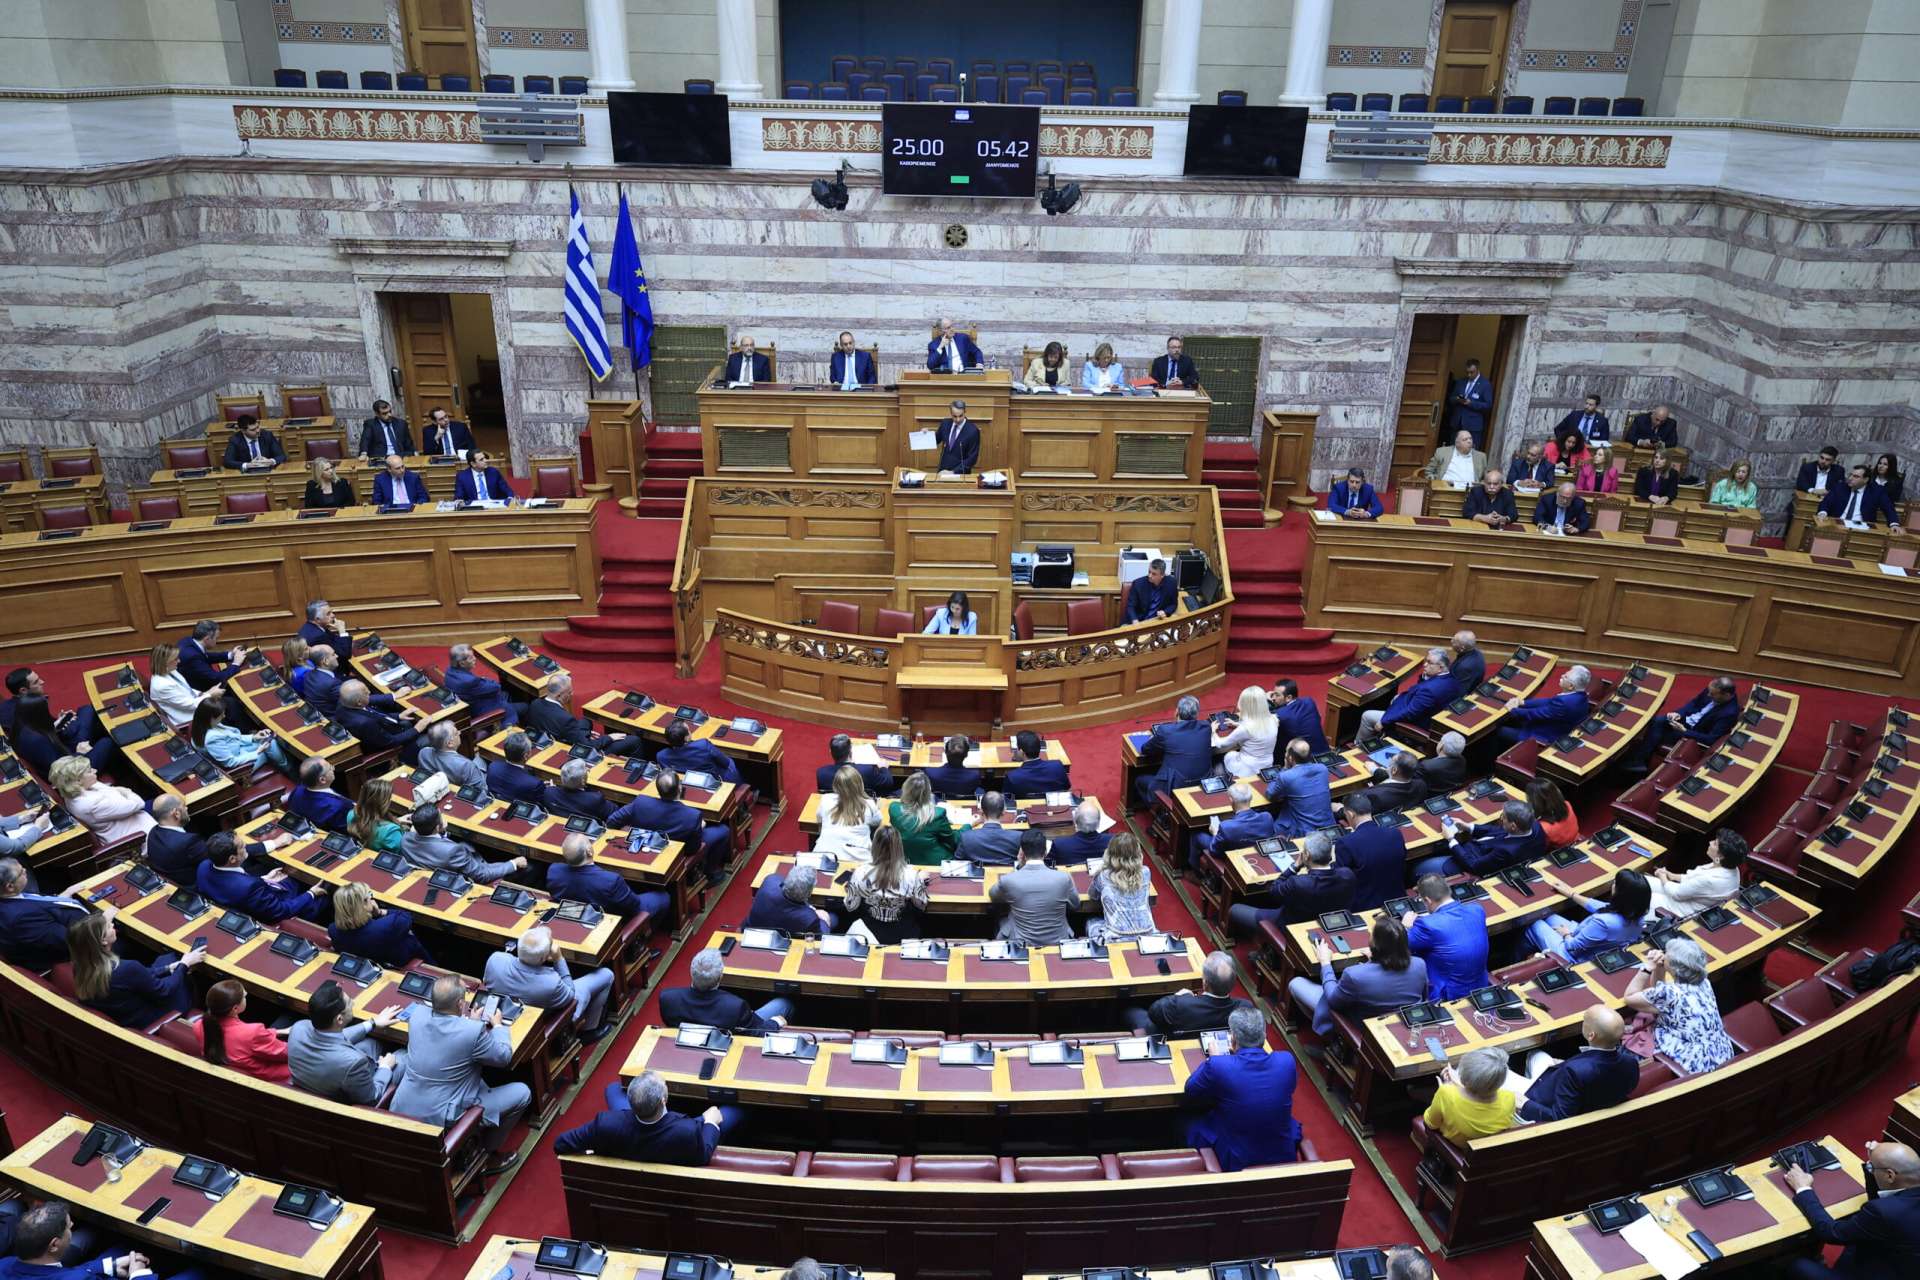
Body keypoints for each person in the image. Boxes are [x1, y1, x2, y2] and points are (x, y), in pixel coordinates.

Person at [391, 974, 528, 1173]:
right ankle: (485, 1157)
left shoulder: (417, 1014)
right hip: (443, 1115)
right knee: (523, 1092)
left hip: (403, 1104)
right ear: (461, 1004)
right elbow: (503, 1057)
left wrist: (468, 1023)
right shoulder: (473, 1031)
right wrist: (498, 1026)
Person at [1782, 1139, 1920, 1279]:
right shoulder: (1896, 1203)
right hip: (1904, 1261)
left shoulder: (1882, 1211)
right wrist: (1875, 1162)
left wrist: (1803, 1188)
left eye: (1871, 1168)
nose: (1870, 1169)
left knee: (1799, 1266)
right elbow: (1883, 1200)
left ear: (1890, 1175)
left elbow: (1832, 1232)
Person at [1183, 1006, 1299, 1170]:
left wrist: (1213, 1060)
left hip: (1237, 1160)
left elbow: (1191, 1090)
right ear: (1264, 1036)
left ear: (1233, 1039)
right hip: (1282, 1152)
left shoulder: (1218, 1065)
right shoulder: (1286, 1061)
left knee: (1187, 1121)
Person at [554, 1070, 737, 1163]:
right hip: (673, 1134)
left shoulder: (605, 1124)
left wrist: (591, 1154)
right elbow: (703, 1155)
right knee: (731, 1111)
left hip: (627, 1135)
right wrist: (711, 1122)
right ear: (664, 1100)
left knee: (613, 1088)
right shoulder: (688, 1130)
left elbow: (560, 1144)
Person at [1287, 915, 1428, 1036]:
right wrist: (1374, 961)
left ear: (1375, 944)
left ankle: (1332, 1037)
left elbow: (1332, 1001)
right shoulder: (1419, 964)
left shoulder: (1354, 975)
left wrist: (1325, 964)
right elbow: (1423, 996)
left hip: (1362, 1027)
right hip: (1400, 1025)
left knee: (1296, 983)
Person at [67, 910, 201, 1027]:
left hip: (127, 1014)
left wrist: (168, 969)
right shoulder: (127, 968)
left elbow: (135, 977)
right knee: (178, 961)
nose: (112, 925)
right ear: (103, 941)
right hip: (157, 1015)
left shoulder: (81, 966)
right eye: (108, 926)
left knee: (166, 960)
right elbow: (165, 991)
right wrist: (184, 964)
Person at [0, 1201, 199, 1280]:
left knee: (125, 1247)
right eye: (69, 1227)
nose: (72, 1227)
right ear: (54, 1244)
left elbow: (60, 1273)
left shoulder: (5, 1265)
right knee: (198, 1272)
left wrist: (109, 1267)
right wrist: (138, 1274)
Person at [485, 924, 616, 1042]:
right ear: (544, 958)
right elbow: (571, 996)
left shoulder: (495, 959)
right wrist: (559, 958)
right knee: (606, 974)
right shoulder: (551, 983)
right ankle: (589, 1030)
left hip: (508, 1012)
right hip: (546, 1018)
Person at [1623, 937, 1734, 1074]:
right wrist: (1660, 967)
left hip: (1695, 1062)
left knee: (1630, 1035)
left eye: (1666, 953)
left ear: (1675, 967)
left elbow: (1629, 997)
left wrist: (1647, 968)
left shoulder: (1670, 994)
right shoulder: (1704, 982)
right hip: (1721, 1053)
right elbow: (1659, 992)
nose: (1664, 954)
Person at [1510, 1006, 1637, 1123]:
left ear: (1591, 1035)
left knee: (1503, 1074)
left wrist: (1525, 1104)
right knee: (1536, 1055)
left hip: (1540, 1102)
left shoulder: (1573, 1071)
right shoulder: (1631, 1062)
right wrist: (1567, 1064)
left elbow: (1560, 1118)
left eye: (1585, 1020)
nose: (1583, 1022)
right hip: (1569, 1088)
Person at [288, 979, 406, 1105]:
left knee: (372, 1043)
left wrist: (373, 1023)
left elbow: (333, 1036)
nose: (353, 1003)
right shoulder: (353, 1062)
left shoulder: (298, 1028)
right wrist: (385, 1067)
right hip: (344, 1100)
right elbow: (372, 1097)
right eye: (349, 1002)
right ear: (339, 1019)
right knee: (404, 1055)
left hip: (319, 1082)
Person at [608, 769, 731, 884]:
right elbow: (693, 849)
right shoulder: (692, 815)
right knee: (723, 830)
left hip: (647, 845)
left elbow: (612, 821)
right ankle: (712, 872)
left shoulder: (641, 802)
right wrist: (699, 827)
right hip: (676, 853)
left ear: (657, 789)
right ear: (679, 788)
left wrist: (629, 833)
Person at [1227, 830, 1355, 934]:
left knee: (1235, 909)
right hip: (1328, 923)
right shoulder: (1347, 875)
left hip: (1290, 925)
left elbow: (1273, 890)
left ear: (1306, 855)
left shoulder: (1299, 883)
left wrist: (1294, 866)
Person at [196, 832, 328, 924]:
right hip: (277, 914)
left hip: (251, 900)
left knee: (291, 875)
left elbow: (235, 888)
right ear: (232, 859)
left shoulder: (204, 866)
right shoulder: (248, 886)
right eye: (242, 846)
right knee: (327, 890)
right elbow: (282, 911)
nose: (245, 846)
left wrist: (264, 879)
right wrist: (311, 893)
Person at [1526, 869, 1651, 964]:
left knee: (1535, 924)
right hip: (1591, 943)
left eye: (1615, 883)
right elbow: (1599, 906)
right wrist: (1572, 894)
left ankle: (1521, 960)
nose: (1613, 884)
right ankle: (1536, 951)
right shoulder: (1636, 914)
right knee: (1549, 916)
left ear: (1621, 894)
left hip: (1573, 957)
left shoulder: (1603, 922)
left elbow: (1572, 947)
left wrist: (1565, 934)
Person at [1622, 675, 1740, 774]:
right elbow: (1693, 703)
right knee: (1656, 721)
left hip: (1693, 732)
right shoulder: (1713, 690)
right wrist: (1679, 713)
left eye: (1713, 694)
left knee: (1657, 733)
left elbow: (1711, 739)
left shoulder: (1729, 713)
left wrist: (1685, 731)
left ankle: (1639, 761)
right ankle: (1640, 761)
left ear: (1726, 695)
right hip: (1684, 720)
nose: (1709, 695)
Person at [1401, 873, 1491, 1001]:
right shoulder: (1477, 910)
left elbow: (1399, 945)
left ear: (1427, 900)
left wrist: (1405, 926)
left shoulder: (1428, 924)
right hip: (1481, 988)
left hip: (1447, 997)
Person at [660, 947, 792, 1031]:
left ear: (691, 972)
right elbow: (757, 1032)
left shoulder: (668, 998)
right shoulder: (735, 1006)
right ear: (720, 977)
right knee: (784, 1004)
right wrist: (776, 1023)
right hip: (729, 1037)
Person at [1126, 949, 1251, 1036]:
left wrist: (1178, 996)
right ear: (1233, 983)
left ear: (1205, 983)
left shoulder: (1179, 1005)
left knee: (1130, 1010)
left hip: (1171, 1041)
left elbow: (1153, 1012)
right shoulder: (1245, 1009)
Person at [550, 832, 670, 920]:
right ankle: (646, 934)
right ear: (589, 852)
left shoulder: (553, 870)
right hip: (611, 918)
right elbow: (634, 905)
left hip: (576, 912)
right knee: (662, 897)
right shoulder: (611, 880)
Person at [1416, 799, 1545, 879]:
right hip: (1475, 848)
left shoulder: (1506, 851)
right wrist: (1468, 826)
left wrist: (1451, 839)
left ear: (1513, 826)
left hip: (1467, 863)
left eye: (1504, 817)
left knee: (1418, 868)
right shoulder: (1533, 825)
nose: (1501, 818)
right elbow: (1498, 831)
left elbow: (1474, 866)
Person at [991, 829, 1078, 946]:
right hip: (1058, 940)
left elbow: (993, 895)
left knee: (1000, 920)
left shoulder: (1008, 880)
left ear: (1022, 853)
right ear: (1045, 852)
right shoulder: (1064, 878)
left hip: (1020, 943)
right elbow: (1075, 905)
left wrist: (1019, 868)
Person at [843, 827, 930, 944]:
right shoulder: (912, 875)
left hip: (869, 934)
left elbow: (850, 906)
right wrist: (919, 881)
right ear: (899, 847)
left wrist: (853, 887)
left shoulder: (860, 873)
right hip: (904, 934)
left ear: (874, 846)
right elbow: (922, 905)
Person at [402, 803, 525, 884]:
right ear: (437, 827)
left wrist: (442, 832)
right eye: (441, 816)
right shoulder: (452, 851)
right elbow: (482, 875)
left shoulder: (405, 839)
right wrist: (513, 863)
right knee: (530, 869)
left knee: (468, 844)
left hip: (435, 867)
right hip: (469, 877)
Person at [1358, 648, 1455, 746]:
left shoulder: (1429, 690)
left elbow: (1410, 713)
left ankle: (1360, 746)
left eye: (1430, 663)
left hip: (1414, 722)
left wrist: (1384, 721)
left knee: (1367, 716)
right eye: (1426, 661)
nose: (1425, 665)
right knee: (1395, 698)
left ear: (1440, 667)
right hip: (1420, 711)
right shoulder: (1451, 679)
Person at [528, 674, 643, 756]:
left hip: (554, 736)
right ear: (559, 696)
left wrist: (584, 734)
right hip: (570, 751)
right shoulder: (565, 719)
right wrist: (609, 737)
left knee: (586, 721)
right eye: (569, 692)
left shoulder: (535, 703)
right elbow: (588, 747)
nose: (572, 694)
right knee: (634, 740)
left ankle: (584, 734)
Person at [0, 856, 84, 969]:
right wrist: (103, 921)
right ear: (10, 886)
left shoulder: (9, 899)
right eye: (21, 872)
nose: (25, 870)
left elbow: (37, 906)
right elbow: (70, 940)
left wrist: (62, 897)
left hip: (70, 921)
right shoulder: (22, 919)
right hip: (79, 952)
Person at [48, 756, 152, 847]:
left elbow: (110, 790)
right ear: (78, 780)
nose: (95, 770)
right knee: (161, 801)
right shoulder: (91, 805)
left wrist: (121, 793)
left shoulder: (73, 791)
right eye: (89, 771)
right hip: (140, 835)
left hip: (131, 818)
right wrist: (128, 791)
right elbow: (139, 803)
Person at [201, 979, 291, 1082]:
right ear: (235, 1008)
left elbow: (245, 1037)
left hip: (235, 1073)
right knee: (290, 1017)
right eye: (244, 996)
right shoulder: (253, 1032)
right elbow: (289, 1054)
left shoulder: (200, 1025)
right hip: (272, 1076)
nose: (246, 997)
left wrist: (277, 1032)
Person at [1647, 829, 1747, 920]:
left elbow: (1677, 894)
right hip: (1688, 895)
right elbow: (1693, 878)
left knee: (1643, 894)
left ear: (1721, 856)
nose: (1710, 842)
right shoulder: (1731, 868)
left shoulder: (1711, 879)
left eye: (1715, 844)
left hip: (1681, 909)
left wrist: (1663, 877)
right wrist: (1672, 875)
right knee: (1644, 882)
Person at [1423, 1048, 1517, 1144]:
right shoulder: (1509, 1097)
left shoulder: (1446, 1093)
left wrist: (1443, 1092)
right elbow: (1481, 1092)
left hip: (1457, 1147)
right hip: (1485, 1149)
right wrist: (1456, 1086)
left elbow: (1431, 1123)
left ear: (1464, 1080)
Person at [1134, 696, 1214, 807]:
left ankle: (1159, 811)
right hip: (1201, 782)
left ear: (1177, 712)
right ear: (1197, 714)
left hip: (1175, 787)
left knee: (1139, 780)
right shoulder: (1206, 727)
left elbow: (1145, 749)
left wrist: (1155, 739)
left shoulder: (1166, 731)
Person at [329, 879, 429, 965]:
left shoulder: (333, 930)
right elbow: (406, 916)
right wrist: (380, 912)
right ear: (364, 904)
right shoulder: (389, 925)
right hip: (403, 961)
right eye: (370, 896)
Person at [1491, 665, 1593, 750]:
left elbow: (1534, 714)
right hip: (1555, 726)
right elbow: (1548, 702)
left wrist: (1512, 709)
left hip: (1542, 737)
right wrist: (1522, 702)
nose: (1562, 675)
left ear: (1571, 686)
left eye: (1565, 677)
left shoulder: (1564, 702)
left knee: (1499, 731)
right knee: (1512, 719)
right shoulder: (1580, 696)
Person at [1331, 796, 1404, 912]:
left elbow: (1341, 879)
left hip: (1363, 906)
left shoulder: (1346, 843)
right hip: (1398, 902)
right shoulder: (1395, 833)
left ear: (1350, 814)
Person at [335, 678, 425, 765]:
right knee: (427, 738)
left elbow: (374, 715)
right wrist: (416, 729)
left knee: (407, 722)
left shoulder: (344, 704)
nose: (369, 692)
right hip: (391, 745)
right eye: (366, 693)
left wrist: (398, 716)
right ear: (359, 702)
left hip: (383, 730)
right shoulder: (365, 723)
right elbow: (390, 742)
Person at [190, 699, 289, 775]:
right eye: (221, 715)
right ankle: (288, 770)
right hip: (240, 766)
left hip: (239, 750)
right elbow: (231, 762)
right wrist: (258, 752)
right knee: (270, 746)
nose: (224, 716)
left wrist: (254, 737)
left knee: (268, 740)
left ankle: (286, 767)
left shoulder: (203, 724)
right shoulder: (212, 738)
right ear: (212, 717)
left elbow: (231, 739)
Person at [1087, 832, 1154, 942]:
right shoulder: (1146, 872)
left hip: (1116, 936)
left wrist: (1104, 866)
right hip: (1148, 933)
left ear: (1110, 853)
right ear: (1138, 854)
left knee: (1090, 922)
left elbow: (1093, 895)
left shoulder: (1103, 876)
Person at [813, 765, 884, 864]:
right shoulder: (869, 805)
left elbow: (819, 820)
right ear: (860, 784)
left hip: (824, 858)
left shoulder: (825, 799)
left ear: (835, 785)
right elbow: (878, 822)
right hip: (859, 861)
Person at [1267, 738, 1335, 837]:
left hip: (1305, 832)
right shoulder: (1322, 769)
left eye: (1286, 752)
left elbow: (1270, 795)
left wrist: (1285, 768)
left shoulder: (1286, 776)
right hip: (1328, 827)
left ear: (1290, 758)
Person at [889, 772, 957, 866]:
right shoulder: (938, 814)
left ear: (905, 789)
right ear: (929, 794)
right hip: (935, 862)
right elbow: (951, 842)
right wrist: (967, 826)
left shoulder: (894, 808)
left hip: (903, 858)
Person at [442, 644, 521, 726]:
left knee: (509, 693)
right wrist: (484, 679)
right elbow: (496, 687)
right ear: (462, 663)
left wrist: (482, 680)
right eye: (471, 657)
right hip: (486, 709)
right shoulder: (469, 681)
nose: (475, 659)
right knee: (525, 707)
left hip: (473, 700)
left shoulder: (450, 671)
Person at [147, 642, 218, 729]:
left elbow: (185, 687)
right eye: (175, 659)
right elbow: (190, 705)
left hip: (192, 704)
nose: (179, 661)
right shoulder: (161, 686)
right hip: (189, 719)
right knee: (227, 706)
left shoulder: (169, 670)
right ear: (165, 662)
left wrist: (202, 693)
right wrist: (210, 694)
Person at [1194, 782, 1274, 859]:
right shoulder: (1267, 817)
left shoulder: (1226, 827)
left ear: (1231, 800)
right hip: (1256, 855)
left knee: (1197, 836)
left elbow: (1214, 851)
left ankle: (1193, 867)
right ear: (1251, 798)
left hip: (1230, 858)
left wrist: (1215, 833)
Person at [1213, 685, 1278, 777]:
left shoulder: (1245, 728)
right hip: (1267, 765)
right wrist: (1237, 724)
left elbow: (1221, 744)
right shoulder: (1274, 719)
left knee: (1228, 756)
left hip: (1248, 768)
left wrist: (1213, 731)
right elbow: (1258, 730)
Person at [747, 867, 832, 935]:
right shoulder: (809, 918)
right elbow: (821, 936)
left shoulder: (770, 880)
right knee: (832, 917)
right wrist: (824, 917)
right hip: (782, 942)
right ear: (809, 894)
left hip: (751, 932)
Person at [1817, 463, 1897, 528]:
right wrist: (1822, 513)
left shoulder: (1876, 491)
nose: (1850, 478)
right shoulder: (1840, 487)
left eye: (1856, 476)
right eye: (1850, 475)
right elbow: (1826, 502)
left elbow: (1889, 508)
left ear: (1866, 480)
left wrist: (1894, 524)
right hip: (1837, 524)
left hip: (1862, 527)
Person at [175, 618, 243, 693]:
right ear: (207, 639)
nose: (217, 641)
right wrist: (236, 664)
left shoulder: (187, 641)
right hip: (201, 692)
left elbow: (205, 656)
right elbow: (216, 679)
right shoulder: (192, 657)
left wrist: (230, 655)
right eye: (216, 638)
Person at [288, 755, 352, 831]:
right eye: (330, 768)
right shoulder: (336, 806)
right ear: (322, 780)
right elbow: (351, 828)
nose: (333, 768)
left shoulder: (298, 790)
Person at [956, 791, 1021, 865]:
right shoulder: (1018, 837)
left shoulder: (966, 837)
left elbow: (957, 863)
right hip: (1008, 872)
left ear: (981, 811)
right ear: (1004, 811)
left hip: (977, 872)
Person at [815, 734, 893, 796]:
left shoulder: (822, 773)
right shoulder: (867, 770)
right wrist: (883, 768)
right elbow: (888, 782)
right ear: (850, 752)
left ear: (830, 752)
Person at [543, 759, 615, 824]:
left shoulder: (549, 792)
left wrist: (552, 789)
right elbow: (614, 811)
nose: (587, 769)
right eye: (585, 769)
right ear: (583, 781)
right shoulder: (595, 798)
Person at [1357, 752, 1428, 814]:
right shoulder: (1421, 785)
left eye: (1391, 761)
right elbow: (1396, 781)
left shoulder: (1375, 795)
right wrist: (1375, 770)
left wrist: (1373, 788)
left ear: (1394, 770)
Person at [1004, 729, 1069, 795]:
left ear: (1021, 752)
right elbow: (1066, 788)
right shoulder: (1057, 766)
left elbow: (1007, 797)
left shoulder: (1012, 777)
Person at [485, 732, 545, 804]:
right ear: (526, 756)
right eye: (531, 748)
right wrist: (550, 789)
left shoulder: (493, 767)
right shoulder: (534, 784)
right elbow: (540, 803)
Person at [1046, 800, 1111, 865]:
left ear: (1075, 821)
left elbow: (1048, 864)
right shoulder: (1112, 841)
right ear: (1099, 822)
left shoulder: (1059, 844)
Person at [1446, 359, 1493, 448]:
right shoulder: (1461, 382)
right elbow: (1451, 399)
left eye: (1472, 372)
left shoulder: (1485, 384)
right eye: (1467, 372)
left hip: (1472, 426)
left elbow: (1488, 405)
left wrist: (1471, 403)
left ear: (1478, 370)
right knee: (1453, 450)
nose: (1469, 375)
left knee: (1469, 452)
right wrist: (1457, 399)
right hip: (1457, 423)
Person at [295, 599, 353, 667]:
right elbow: (345, 654)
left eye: (331, 612)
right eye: (328, 614)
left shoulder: (310, 626)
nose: (333, 615)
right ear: (317, 619)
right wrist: (342, 630)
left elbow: (333, 639)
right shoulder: (318, 636)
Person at [924, 734, 983, 800]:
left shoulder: (930, 773)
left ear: (945, 752)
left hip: (939, 802)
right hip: (964, 803)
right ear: (966, 755)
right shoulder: (974, 776)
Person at [1124, 558, 1180, 622]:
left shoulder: (1171, 583)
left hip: (1157, 621)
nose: (1150, 576)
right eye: (1149, 572)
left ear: (1162, 575)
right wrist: (1135, 620)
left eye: (1154, 574)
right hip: (1139, 620)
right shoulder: (1138, 584)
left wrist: (1165, 612)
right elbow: (1131, 606)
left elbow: (1173, 604)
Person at [934, 400, 980, 474]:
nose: (958, 420)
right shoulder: (945, 424)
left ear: (965, 412)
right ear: (951, 414)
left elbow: (972, 458)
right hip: (943, 472)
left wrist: (953, 472)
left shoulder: (973, 431)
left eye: (960, 416)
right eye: (954, 416)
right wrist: (925, 435)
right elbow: (935, 440)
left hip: (961, 474)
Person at [1448, 630, 1486, 695]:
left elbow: (1459, 692)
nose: (1451, 641)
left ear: (1462, 648)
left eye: (1454, 641)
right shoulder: (1476, 652)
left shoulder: (1464, 667)